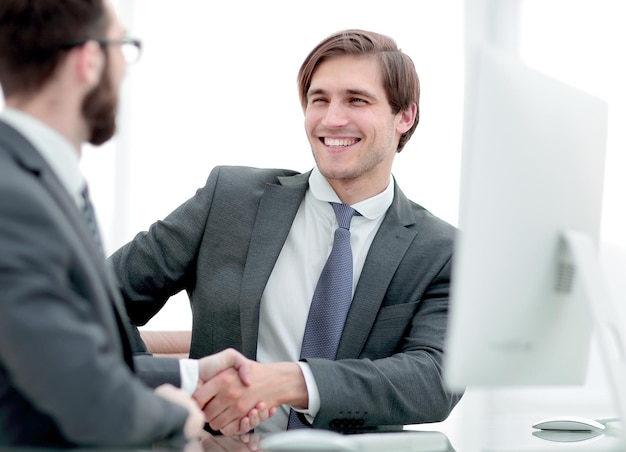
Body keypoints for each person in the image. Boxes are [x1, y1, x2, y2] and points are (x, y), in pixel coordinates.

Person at [110, 28, 463, 436]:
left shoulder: (440, 251)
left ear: (405, 116)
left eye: (356, 100)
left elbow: (436, 378)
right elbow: (92, 301)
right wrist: (174, 400)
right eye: (319, 100)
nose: (332, 119)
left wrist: (291, 382)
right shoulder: (229, 200)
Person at [0, 0, 269, 447]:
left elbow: (55, 358)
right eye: (123, 47)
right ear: (90, 59)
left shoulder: (38, 183)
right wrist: (175, 415)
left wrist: (189, 374)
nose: (124, 71)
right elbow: (85, 397)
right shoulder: (14, 199)